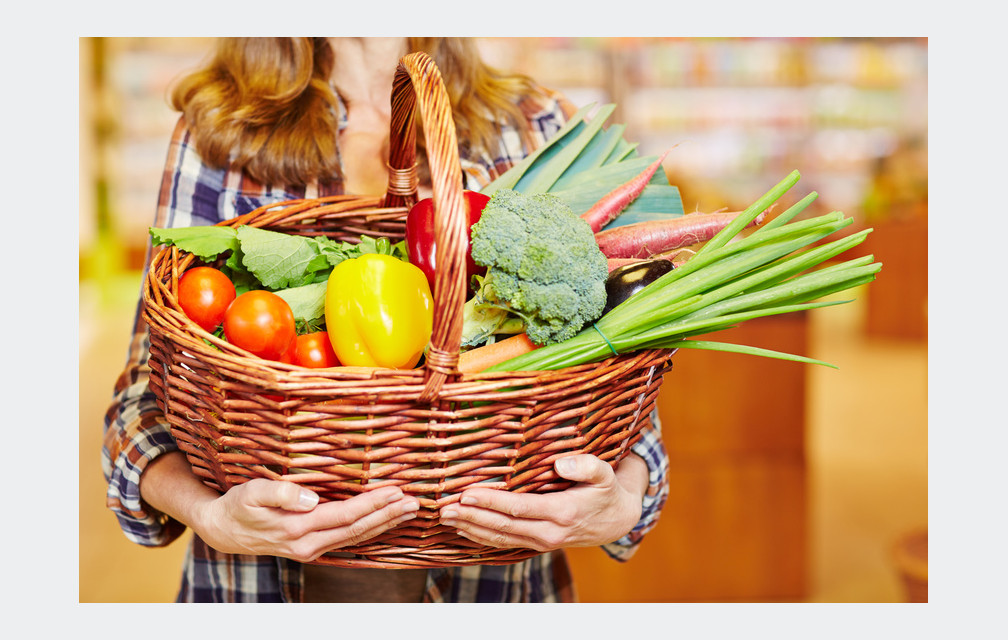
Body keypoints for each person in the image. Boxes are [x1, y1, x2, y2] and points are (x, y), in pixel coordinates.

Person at [103, 37, 670, 603]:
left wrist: (620, 501)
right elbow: (146, 390)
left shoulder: (532, 126)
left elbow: (616, 376)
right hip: (259, 586)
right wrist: (209, 514)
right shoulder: (221, 127)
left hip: (493, 587)